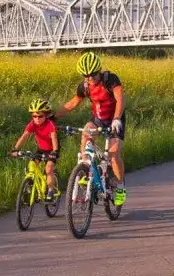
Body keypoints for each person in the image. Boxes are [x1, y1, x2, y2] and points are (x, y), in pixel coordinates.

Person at [53, 52, 127, 206]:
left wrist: (117, 118)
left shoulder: (110, 80)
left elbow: (120, 98)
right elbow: (73, 103)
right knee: (86, 133)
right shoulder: (85, 86)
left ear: (99, 70)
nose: (90, 78)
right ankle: (85, 168)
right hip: (98, 119)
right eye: (86, 76)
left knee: (113, 155)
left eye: (93, 74)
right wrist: (53, 118)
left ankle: (120, 186)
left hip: (115, 120)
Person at [12, 98, 61, 199]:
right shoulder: (32, 124)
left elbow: (54, 137)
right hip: (41, 149)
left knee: (48, 169)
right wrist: (16, 148)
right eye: (34, 116)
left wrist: (55, 151)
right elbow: (25, 136)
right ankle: (31, 184)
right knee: (31, 164)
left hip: (52, 150)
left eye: (40, 116)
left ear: (46, 115)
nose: (37, 119)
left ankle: (51, 191)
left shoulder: (49, 124)